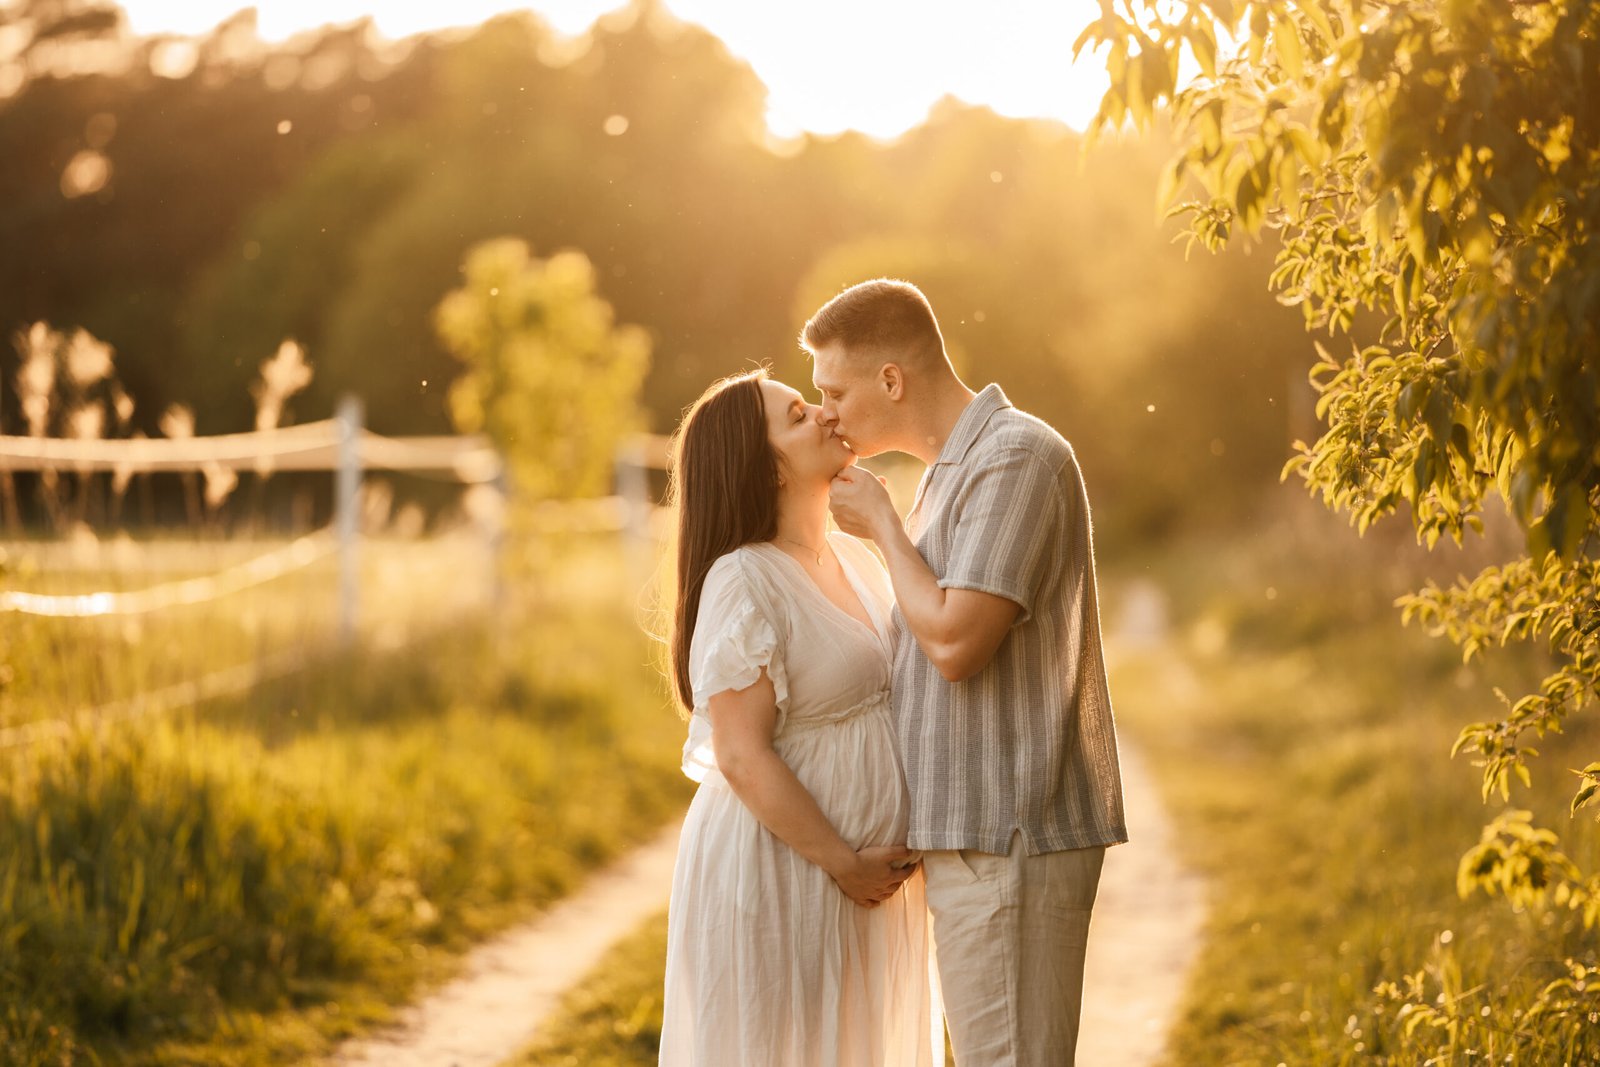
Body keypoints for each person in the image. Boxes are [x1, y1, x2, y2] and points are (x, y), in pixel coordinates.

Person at [806, 278, 1127, 1066]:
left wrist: (883, 527)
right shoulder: (949, 473)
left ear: (891, 379)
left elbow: (955, 644)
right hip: (976, 841)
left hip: (1008, 835)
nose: (825, 413)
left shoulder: (1014, 457)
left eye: (834, 391)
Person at [657, 368, 939, 1066]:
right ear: (768, 469)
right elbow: (740, 753)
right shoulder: (744, 578)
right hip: (788, 874)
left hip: (865, 886)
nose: (824, 413)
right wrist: (845, 863)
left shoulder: (854, 556)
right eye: (796, 415)